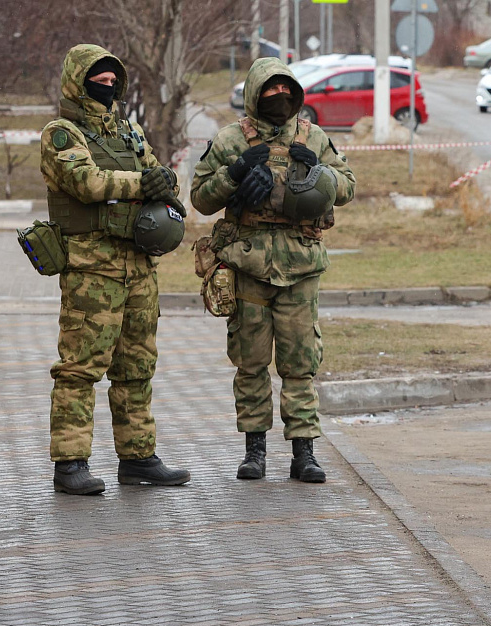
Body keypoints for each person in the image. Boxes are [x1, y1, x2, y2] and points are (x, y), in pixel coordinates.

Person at [191, 57, 355, 483]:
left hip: (300, 264)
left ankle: (305, 452)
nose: (278, 98)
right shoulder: (230, 140)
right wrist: (236, 174)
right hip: (247, 264)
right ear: (253, 94)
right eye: (269, 91)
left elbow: (349, 186)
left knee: (300, 362)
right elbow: (201, 198)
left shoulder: (313, 136)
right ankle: (255, 451)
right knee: (250, 362)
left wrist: (320, 173)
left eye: (286, 90)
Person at [40, 44, 190, 495]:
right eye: (97, 80)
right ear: (76, 81)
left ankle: (139, 457)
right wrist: (142, 183)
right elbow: (85, 183)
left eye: (111, 82)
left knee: (137, 366)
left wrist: (164, 180)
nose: (106, 88)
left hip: (138, 266)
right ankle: (70, 464)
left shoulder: (129, 131)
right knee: (80, 368)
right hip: (92, 269)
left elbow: (157, 174)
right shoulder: (61, 134)